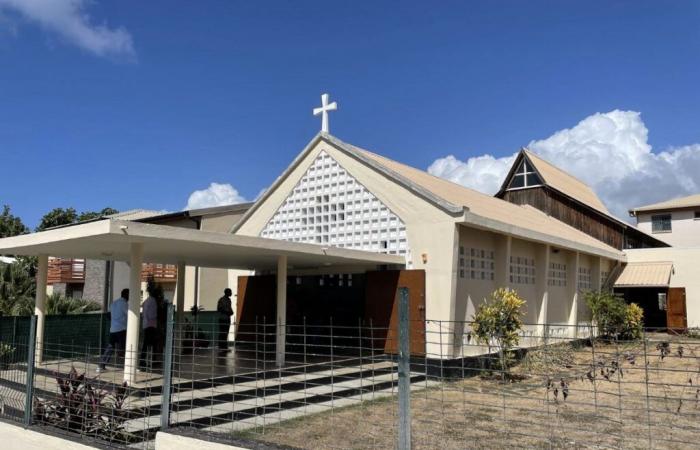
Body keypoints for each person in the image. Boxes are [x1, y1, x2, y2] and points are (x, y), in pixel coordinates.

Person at [97, 289, 129, 373]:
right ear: (126, 295)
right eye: (129, 295)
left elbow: (108, 314)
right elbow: (130, 315)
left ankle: (101, 365)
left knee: (110, 347)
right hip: (121, 329)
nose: (129, 297)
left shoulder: (113, 303)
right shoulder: (124, 304)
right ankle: (129, 368)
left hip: (113, 329)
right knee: (126, 347)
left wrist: (114, 321)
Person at [139, 286, 159, 370]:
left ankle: (143, 361)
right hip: (151, 325)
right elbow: (152, 314)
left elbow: (144, 313)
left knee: (145, 344)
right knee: (152, 343)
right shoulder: (153, 301)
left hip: (146, 325)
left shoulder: (146, 301)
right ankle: (151, 361)